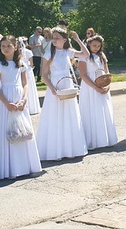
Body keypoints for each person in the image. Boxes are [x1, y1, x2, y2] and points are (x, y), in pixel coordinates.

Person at [0, 35, 42, 180]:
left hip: (19, 97)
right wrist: (6, 103)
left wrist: (24, 100)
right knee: (5, 130)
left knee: (22, 130)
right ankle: (7, 168)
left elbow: (25, 83)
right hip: (5, 99)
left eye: (9, 46)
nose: (5, 49)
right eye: (3, 46)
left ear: (15, 47)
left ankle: (25, 166)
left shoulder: (21, 63)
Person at [37, 29, 89, 160]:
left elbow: (86, 54)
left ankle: (70, 148)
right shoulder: (49, 53)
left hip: (67, 83)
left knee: (68, 115)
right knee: (55, 116)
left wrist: (77, 39)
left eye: (57, 38)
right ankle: (55, 150)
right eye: (53, 37)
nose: (54, 40)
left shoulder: (68, 51)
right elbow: (44, 74)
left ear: (64, 40)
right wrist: (52, 89)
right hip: (55, 85)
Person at [78, 34, 118, 149]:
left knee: (103, 110)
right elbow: (83, 75)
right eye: (94, 45)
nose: (96, 47)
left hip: (103, 84)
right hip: (90, 87)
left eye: (98, 46)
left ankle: (105, 138)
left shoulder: (101, 56)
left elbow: (106, 70)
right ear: (89, 44)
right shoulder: (83, 56)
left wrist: (108, 84)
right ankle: (93, 140)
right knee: (92, 111)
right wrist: (96, 88)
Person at [18, 37, 41, 115]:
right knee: (30, 86)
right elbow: (31, 63)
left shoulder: (17, 52)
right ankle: (32, 107)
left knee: (23, 85)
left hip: (21, 69)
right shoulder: (29, 52)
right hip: (28, 69)